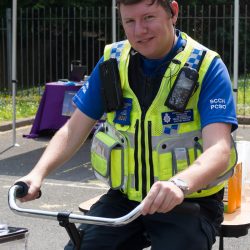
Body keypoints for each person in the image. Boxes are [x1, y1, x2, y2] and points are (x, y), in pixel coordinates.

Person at [16, 0, 238, 249]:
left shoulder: (206, 66)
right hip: (125, 199)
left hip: (189, 201)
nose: (139, 31)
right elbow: (72, 129)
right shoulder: (113, 62)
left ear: (173, 12)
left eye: (148, 18)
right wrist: (37, 174)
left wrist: (179, 184)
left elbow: (219, 150)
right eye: (129, 21)